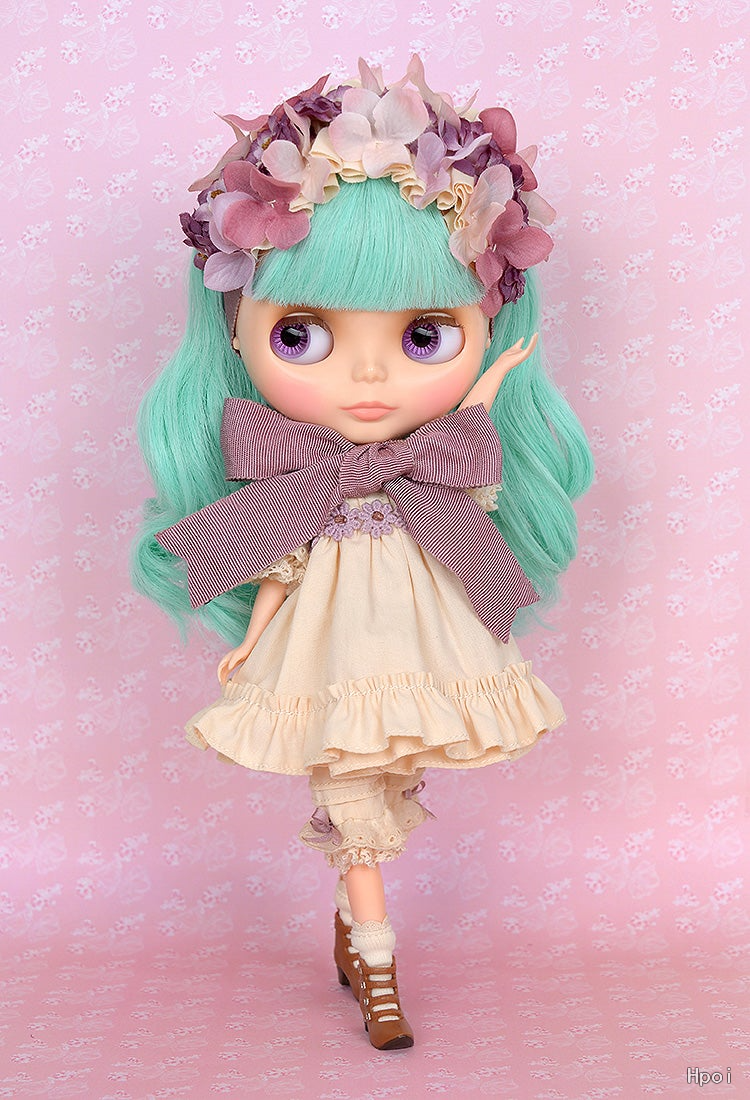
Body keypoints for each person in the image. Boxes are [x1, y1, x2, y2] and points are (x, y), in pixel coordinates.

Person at [133, 57, 594, 1051]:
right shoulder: (300, 487)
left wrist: (487, 390)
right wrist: (252, 642)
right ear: (238, 330)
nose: (371, 377)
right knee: (352, 798)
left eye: (426, 335)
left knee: (384, 789)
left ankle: (349, 927)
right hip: (327, 658)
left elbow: (467, 496)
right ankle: (379, 966)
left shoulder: (440, 476)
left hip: (416, 653)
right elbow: (283, 563)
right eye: (302, 335)